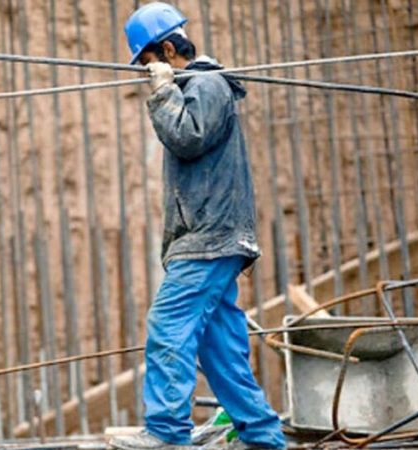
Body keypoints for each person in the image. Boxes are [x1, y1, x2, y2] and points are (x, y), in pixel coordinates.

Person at [110, 3, 286, 450]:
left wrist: (164, 92)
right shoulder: (198, 86)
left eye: (148, 62)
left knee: (169, 325)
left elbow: (186, 139)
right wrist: (170, 87)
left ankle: (167, 431)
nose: (144, 74)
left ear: (168, 49)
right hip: (213, 237)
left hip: (208, 238)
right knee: (220, 348)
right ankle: (263, 437)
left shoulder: (207, 83)